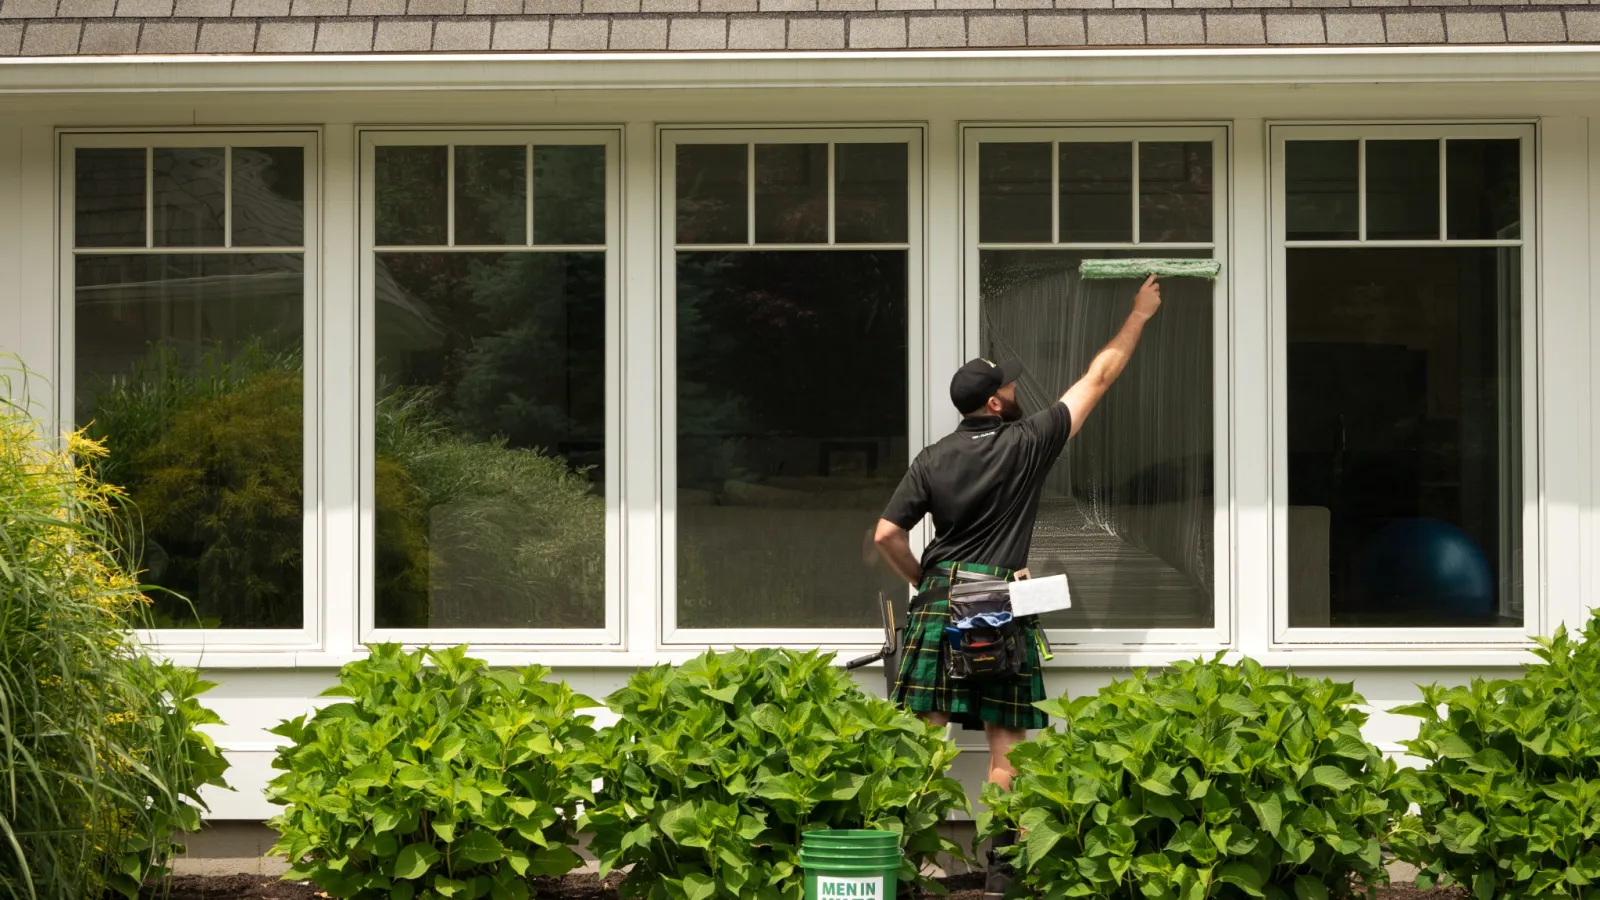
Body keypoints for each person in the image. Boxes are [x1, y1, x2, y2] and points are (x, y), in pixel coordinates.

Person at [872, 274, 1163, 899]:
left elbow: (885, 535)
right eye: (1008, 383)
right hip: (998, 603)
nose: (1014, 387)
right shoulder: (1028, 443)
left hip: (941, 599)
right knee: (1006, 745)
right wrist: (1138, 315)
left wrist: (926, 580)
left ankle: (902, 874)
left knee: (924, 737)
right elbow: (1099, 378)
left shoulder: (931, 458)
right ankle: (1002, 876)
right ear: (998, 403)